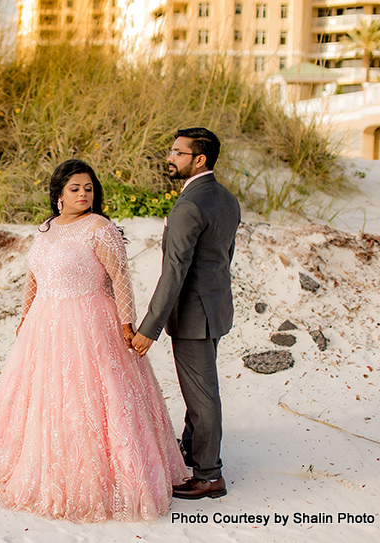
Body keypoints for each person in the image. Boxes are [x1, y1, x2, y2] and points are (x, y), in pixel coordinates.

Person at [0, 159, 186, 522]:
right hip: (44, 324)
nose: (83, 194)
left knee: (91, 396)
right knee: (44, 396)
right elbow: (34, 277)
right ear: (59, 195)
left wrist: (126, 322)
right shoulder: (46, 229)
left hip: (90, 320)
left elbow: (119, 277)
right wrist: (25, 315)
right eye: (75, 189)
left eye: (88, 188)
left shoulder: (100, 228)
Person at [131, 127, 241, 500]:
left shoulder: (190, 205)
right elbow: (223, 258)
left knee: (202, 397)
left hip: (194, 315)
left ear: (200, 159)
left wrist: (150, 326)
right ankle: (192, 450)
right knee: (203, 389)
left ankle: (209, 475)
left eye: (178, 153)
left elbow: (175, 269)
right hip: (216, 308)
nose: (170, 158)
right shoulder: (226, 199)